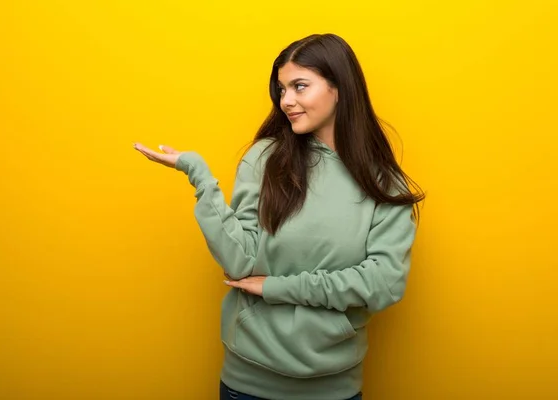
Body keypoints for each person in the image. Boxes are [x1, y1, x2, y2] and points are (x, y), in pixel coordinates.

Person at [134, 33, 425, 400]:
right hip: (247, 384)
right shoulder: (265, 159)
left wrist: (277, 288)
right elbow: (239, 261)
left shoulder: (384, 184)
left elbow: (383, 285)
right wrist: (200, 177)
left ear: (340, 88)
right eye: (282, 90)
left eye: (300, 86)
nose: (287, 101)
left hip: (333, 389)